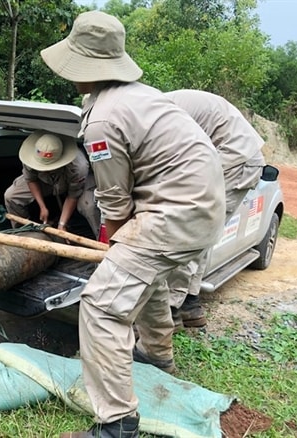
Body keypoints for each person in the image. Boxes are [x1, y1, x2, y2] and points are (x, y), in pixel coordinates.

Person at [41, 11, 226, 438]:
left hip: (172, 214)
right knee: (151, 279)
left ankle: (117, 422)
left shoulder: (104, 117)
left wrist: (115, 239)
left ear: (85, 66)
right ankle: (158, 357)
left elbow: (113, 198)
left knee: (103, 305)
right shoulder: (140, 95)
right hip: (200, 210)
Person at [164, 89, 266, 331]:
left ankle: (169, 312)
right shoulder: (159, 102)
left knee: (188, 234)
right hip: (236, 157)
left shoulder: (157, 112)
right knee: (202, 236)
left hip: (234, 161)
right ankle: (189, 304)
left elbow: (168, 161)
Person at [4, 130, 100, 238]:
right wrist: (42, 207)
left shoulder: (78, 166)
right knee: (11, 196)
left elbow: (73, 195)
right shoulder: (29, 156)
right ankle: (22, 233)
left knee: (89, 206)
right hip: (45, 181)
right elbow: (31, 179)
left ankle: (102, 240)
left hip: (71, 181)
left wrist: (62, 224)